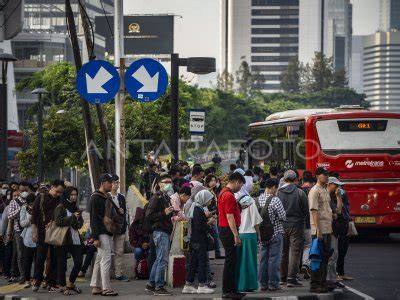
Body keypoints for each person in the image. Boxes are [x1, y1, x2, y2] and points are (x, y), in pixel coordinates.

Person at [31, 179, 65, 292]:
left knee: (55, 258)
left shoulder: (60, 200)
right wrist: (33, 232)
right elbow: (34, 216)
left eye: (61, 192)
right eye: (57, 191)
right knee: (40, 257)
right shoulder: (40, 198)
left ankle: (51, 282)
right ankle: (37, 280)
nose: (58, 194)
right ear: (52, 187)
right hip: (42, 232)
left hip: (55, 233)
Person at [278, 170, 309, 287]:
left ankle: (282, 278)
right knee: (295, 252)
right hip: (297, 226)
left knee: (283, 252)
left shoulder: (278, 192)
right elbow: (306, 210)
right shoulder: (300, 192)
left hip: (282, 226)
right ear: (295, 179)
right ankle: (292, 278)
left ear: (284, 179)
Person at [218, 172, 246, 299]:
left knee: (232, 261)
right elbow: (230, 217)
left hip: (225, 229)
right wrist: (236, 235)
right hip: (228, 231)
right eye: (241, 185)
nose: (240, 188)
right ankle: (227, 291)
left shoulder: (223, 192)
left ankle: (232, 289)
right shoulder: (228, 195)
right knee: (230, 261)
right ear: (237, 182)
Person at [145, 173, 174, 296]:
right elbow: (149, 215)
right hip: (160, 232)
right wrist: (164, 212)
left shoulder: (164, 197)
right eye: (166, 182)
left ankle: (151, 284)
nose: (168, 184)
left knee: (159, 259)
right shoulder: (156, 197)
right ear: (159, 184)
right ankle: (159, 286)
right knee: (162, 260)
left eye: (170, 182)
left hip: (164, 231)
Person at [90, 174, 119, 297]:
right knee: (106, 259)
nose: (111, 185)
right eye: (109, 183)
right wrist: (95, 238)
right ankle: (106, 288)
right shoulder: (95, 197)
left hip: (107, 231)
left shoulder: (106, 196)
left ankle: (95, 286)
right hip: (101, 232)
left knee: (99, 259)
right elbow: (93, 219)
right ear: (102, 183)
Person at [182, 190, 216, 294]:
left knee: (194, 262)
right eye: (209, 200)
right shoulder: (197, 209)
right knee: (201, 262)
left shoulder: (196, 207)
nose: (210, 202)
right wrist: (209, 222)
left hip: (195, 240)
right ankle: (202, 285)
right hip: (199, 240)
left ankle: (188, 284)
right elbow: (199, 226)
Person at [54, 186, 84, 295]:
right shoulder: (60, 207)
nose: (74, 197)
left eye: (75, 194)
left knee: (79, 262)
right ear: (67, 195)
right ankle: (62, 285)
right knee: (62, 263)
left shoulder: (75, 207)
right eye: (71, 194)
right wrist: (72, 217)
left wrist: (78, 218)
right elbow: (58, 221)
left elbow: (80, 225)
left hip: (75, 238)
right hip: (63, 238)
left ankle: (71, 283)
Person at [258, 178, 286, 291]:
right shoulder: (275, 200)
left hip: (262, 235)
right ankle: (273, 284)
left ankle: (263, 284)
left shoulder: (257, 199)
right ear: (274, 187)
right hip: (275, 233)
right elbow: (283, 217)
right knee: (274, 259)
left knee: (263, 260)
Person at [308, 167, 332, 293]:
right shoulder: (314, 191)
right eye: (324, 174)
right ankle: (315, 284)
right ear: (318, 176)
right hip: (319, 230)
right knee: (317, 258)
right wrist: (318, 231)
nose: (327, 177)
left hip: (328, 228)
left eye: (328, 175)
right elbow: (314, 211)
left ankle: (322, 282)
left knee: (325, 257)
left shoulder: (325, 189)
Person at [236, 195, 262, 292]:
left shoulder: (237, 204)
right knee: (250, 261)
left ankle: (240, 285)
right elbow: (256, 221)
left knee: (241, 261)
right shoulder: (251, 203)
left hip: (239, 233)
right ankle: (250, 285)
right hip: (250, 234)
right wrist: (259, 234)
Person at [326, 177, 347, 289]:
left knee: (334, 255)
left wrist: (338, 196)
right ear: (330, 184)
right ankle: (328, 279)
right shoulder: (326, 195)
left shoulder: (333, 196)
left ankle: (332, 279)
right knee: (331, 255)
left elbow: (338, 210)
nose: (339, 187)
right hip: (328, 229)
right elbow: (337, 211)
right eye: (336, 185)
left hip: (334, 230)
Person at [109, 176, 129, 282]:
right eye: (114, 183)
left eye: (117, 183)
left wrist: (125, 225)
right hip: (109, 228)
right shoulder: (106, 196)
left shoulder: (121, 197)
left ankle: (119, 274)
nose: (116, 185)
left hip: (120, 228)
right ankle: (105, 274)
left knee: (119, 252)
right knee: (106, 252)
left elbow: (125, 212)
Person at [7, 187, 28, 283]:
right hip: (18, 231)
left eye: (26, 190)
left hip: (29, 229)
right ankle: (22, 275)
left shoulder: (30, 200)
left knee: (29, 253)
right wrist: (21, 208)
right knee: (20, 254)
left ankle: (27, 274)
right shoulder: (14, 202)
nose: (24, 192)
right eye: (22, 190)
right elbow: (10, 216)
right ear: (19, 192)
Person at [300, 174, 316, 279]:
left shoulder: (298, 191)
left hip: (297, 223)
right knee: (308, 245)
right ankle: (306, 264)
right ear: (311, 182)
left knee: (297, 247)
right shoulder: (312, 191)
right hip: (308, 223)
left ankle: (297, 269)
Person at [20, 193, 37, 288]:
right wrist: (30, 218)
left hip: (39, 236)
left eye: (34, 203)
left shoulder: (39, 208)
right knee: (27, 260)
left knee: (38, 260)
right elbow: (22, 223)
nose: (32, 206)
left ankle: (36, 278)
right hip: (28, 237)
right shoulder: (24, 209)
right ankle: (27, 279)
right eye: (31, 204)